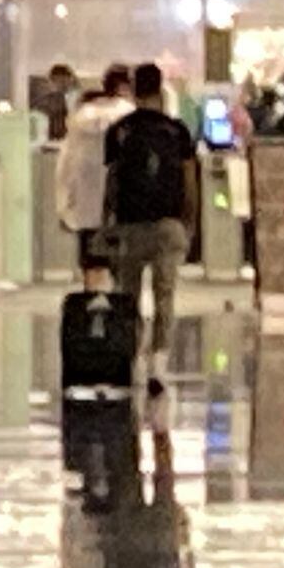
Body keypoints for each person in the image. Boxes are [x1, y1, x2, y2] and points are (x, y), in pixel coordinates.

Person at [104, 63, 198, 396]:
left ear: (133, 89)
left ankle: (132, 359)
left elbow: (112, 182)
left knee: (126, 297)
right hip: (167, 225)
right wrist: (189, 221)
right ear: (161, 90)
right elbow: (188, 179)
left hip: (129, 225)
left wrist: (108, 223)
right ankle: (159, 361)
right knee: (165, 295)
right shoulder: (177, 131)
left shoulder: (119, 131)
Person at [57, 65, 133, 289]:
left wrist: (64, 203)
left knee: (91, 259)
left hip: (86, 205)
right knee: (121, 261)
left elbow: (67, 164)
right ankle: (120, 306)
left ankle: (92, 302)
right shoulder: (128, 115)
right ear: (123, 87)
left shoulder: (80, 119)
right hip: (120, 205)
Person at [33, 63, 77, 139]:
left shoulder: (74, 99)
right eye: (61, 81)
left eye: (67, 81)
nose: (65, 84)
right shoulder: (45, 101)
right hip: (50, 139)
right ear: (52, 81)